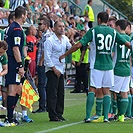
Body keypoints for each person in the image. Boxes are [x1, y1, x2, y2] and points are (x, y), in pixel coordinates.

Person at [59, 12, 130, 123]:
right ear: (107, 20)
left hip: (96, 65)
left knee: (92, 89)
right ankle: (106, 117)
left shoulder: (93, 31)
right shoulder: (113, 32)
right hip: (109, 66)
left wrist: (65, 54)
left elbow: (79, 45)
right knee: (107, 90)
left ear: (98, 19)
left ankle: (88, 116)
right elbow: (127, 44)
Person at [44, 21, 71, 121]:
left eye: (63, 26)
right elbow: (47, 56)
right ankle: (53, 114)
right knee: (53, 93)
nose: (62, 28)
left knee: (61, 93)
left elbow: (71, 48)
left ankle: (59, 113)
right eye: (59, 26)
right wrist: (54, 68)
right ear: (54, 28)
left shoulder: (65, 39)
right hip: (52, 69)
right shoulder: (50, 40)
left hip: (61, 69)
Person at [5, 6, 27, 126]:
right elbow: (15, 48)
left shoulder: (9, 27)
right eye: (26, 14)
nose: (26, 17)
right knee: (13, 89)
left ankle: (11, 115)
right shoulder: (17, 29)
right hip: (14, 62)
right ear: (22, 15)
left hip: (10, 61)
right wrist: (20, 65)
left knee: (17, 88)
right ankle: (9, 118)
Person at [110, 19, 131, 122]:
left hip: (117, 69)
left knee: (112, 91)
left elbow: (113, 54)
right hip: (127, 68)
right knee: (124, 92)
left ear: (118, 27)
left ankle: (112, 112)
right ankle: (121, 115)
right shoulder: (129, 39)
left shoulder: (116, 38)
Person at [32, 17, 52, 113]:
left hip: (43, 63)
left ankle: (43, 106)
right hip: (46, 62)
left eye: (40, 24)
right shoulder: (45, 35)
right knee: (44, 84)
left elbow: (46, 49)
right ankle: (46, 105)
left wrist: (41, 61)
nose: (39, 26)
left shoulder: (47, 36)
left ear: (46, 25)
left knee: (42, 85)